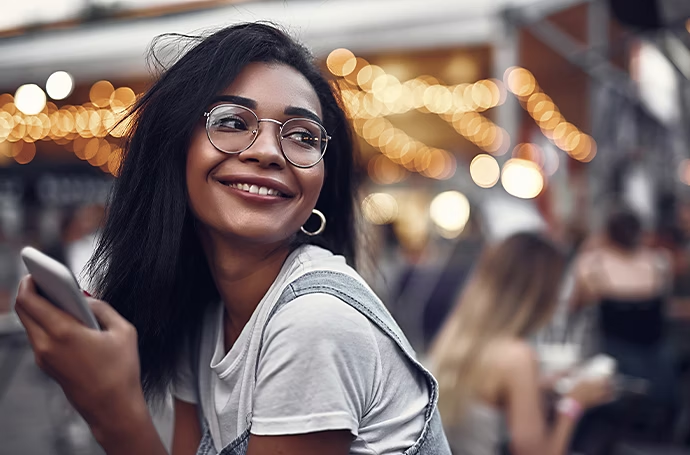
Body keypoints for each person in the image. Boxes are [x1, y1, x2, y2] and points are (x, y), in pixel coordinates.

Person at [13, 23, 450, 455]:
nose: (267, 151)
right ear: (175, 150)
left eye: (301, 135)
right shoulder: (206, 313)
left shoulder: (316, 322)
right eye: (231, 122)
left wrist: (113, 410)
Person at [430, 232, 612, 455]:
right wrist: (574, 404)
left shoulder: (458, 339)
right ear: (541, 293)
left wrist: (536, 386)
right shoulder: (517, 357)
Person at [569, 206, 678, 450]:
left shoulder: (593, 265)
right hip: (659, 362)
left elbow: (575, 305)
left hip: (618, 362)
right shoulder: (659, 262)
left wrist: (589, 248)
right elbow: (666, 302)